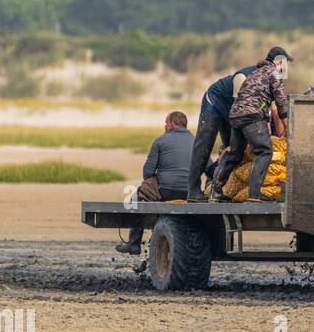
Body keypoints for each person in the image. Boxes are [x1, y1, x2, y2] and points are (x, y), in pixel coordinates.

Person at [210, 47, 293, 203]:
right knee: (264, 152)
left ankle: (216, 191)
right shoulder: (274, 72)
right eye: (286, 63)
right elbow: (281, 103)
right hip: (251, 116)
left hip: (235, 115)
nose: (286, 67)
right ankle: (254, 195)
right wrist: (289, 128)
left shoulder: (256, 72)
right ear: (280, 61)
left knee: (235, 154)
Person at [117, 112, 193, 254]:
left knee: (136, 196)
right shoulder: (197, 141)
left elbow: (147, 173)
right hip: (190, 192)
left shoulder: (160, 141)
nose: (164, 126)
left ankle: (133, 243)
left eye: (166, 123)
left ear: (172, 124)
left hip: (166, 191)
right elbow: (208, 168)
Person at [186, 61, 257, 201]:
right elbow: (239, 110)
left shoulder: (268, 82)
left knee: (234, 149)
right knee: (204, 144)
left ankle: (217, 181)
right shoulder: (242, 77)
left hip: (232, 110)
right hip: (214, 102)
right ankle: (192, 190)